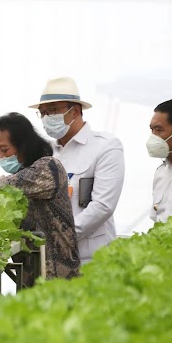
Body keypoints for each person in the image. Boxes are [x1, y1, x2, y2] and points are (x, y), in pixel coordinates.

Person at [29, 76, 124, 264]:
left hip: (91, 259)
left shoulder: (105, 147)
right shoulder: (45, 152)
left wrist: (60, 235)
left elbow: (103, 206)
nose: (47, 118)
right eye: (43, 113)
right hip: (50, 261)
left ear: (75, 111)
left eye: (54, 111)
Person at [0, 112, 80, 280]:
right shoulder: (22, 173)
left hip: (57, 275)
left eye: (5, 150)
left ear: (24, 145)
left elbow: (3, 187)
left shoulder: (48, 168)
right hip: (29, 276)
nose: (1, 157)